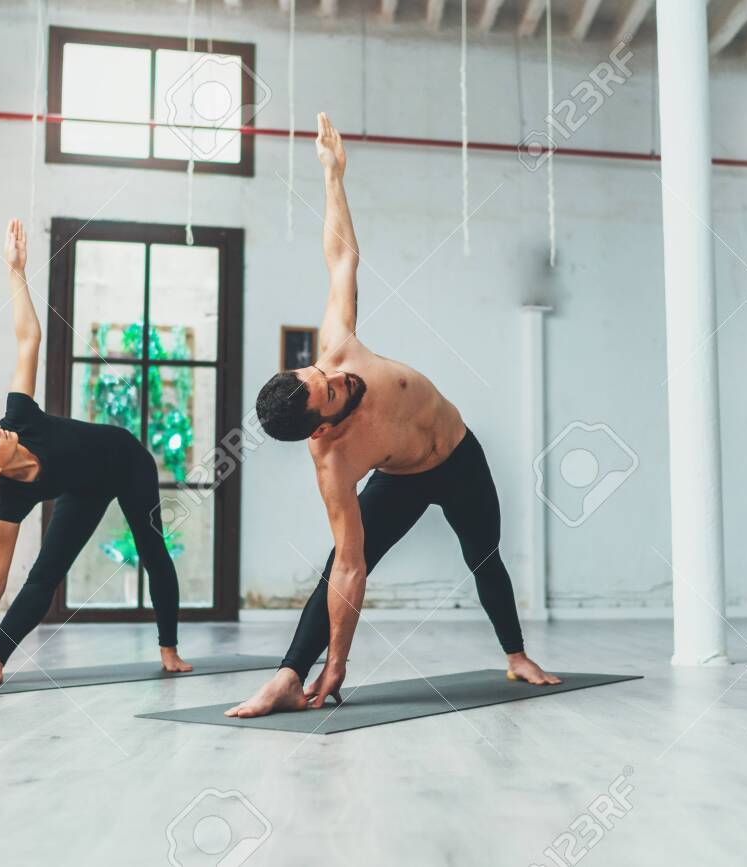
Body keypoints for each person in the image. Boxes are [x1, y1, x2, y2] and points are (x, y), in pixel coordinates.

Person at [225, 114, 560, 718]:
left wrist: (333, 177)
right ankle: (285, 676)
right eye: (327, 390)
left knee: (484, 556)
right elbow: (352, 570)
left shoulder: (338, 348)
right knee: (334, 566)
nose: (336, 375)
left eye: (319, 373)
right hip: (401, 479)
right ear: (322, 429)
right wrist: (339, 662)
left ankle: (516, 654)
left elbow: (341, 259)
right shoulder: (334, 462)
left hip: (460, 455)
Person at [0, 218, 190, 687]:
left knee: (152, 548)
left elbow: (29, 339)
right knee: (43, 578)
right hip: (84, 490)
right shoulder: (12, 497)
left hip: (127, 461)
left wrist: (15, 271)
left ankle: (168, 647)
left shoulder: (19, 417)